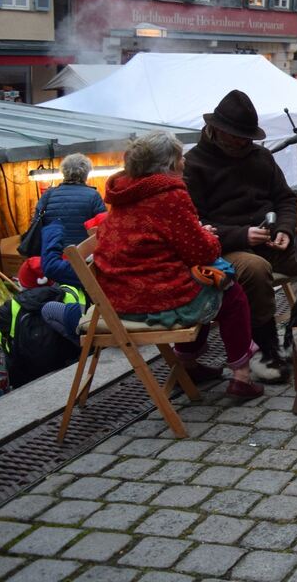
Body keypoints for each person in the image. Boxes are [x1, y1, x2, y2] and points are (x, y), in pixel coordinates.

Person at [91, 131, 261, 398]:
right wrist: (207, 235)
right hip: (149, 297)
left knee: (202, 281)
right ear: (168, 164)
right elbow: (202, 252)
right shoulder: (169, 195)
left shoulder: (126, 190)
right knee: (229, 291)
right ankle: (242, 377)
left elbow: (151, 239)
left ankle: (188, 367)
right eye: (180, 158)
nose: (184, 164)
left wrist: (195, 231)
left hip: (116, 295)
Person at [183, 90, 297, 380]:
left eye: (247, 138)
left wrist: (284, 229)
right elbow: (193, 224)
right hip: (222, 248)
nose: (243, 143)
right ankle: (265, 351)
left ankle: (296, 334)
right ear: (218, 131)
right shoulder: (193, 165)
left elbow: (285, 199)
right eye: (237, 137)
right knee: (256, 270)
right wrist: (241, 235)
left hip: (270, 239)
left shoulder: (259, 157)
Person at [29, 153, 105, 248]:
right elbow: (103, 227)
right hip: (82, 255)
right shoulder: (93, 195)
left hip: (53, 254)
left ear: (64, 171)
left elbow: (35, 222)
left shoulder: (48, 195)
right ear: (86, 173)